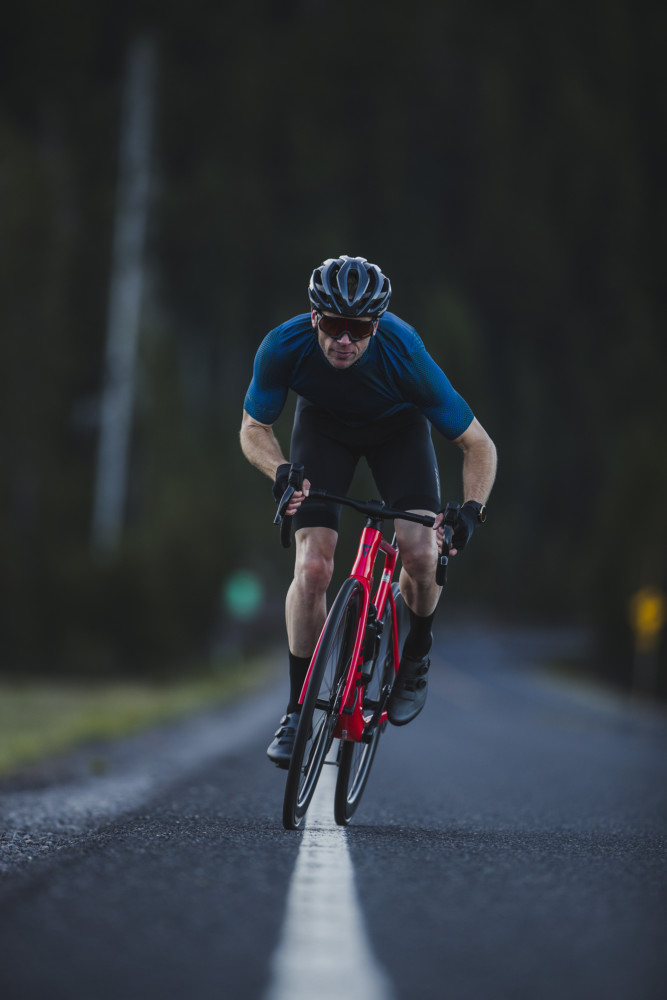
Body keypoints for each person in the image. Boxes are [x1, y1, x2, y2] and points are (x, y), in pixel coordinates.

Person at [240, 255, 496, 767]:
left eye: (358, 329)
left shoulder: (405, 352)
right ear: (314, 316)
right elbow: (253, 429)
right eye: (334, 325)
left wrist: (471, 511)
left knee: (421, 554)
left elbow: (479, 445)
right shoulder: (282, 346)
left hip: (398, 431)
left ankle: (416, 650)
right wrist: (281, 470)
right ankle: (297, 711)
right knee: (313, 567)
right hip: (323, 429)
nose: (344, 340)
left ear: (376, 326)